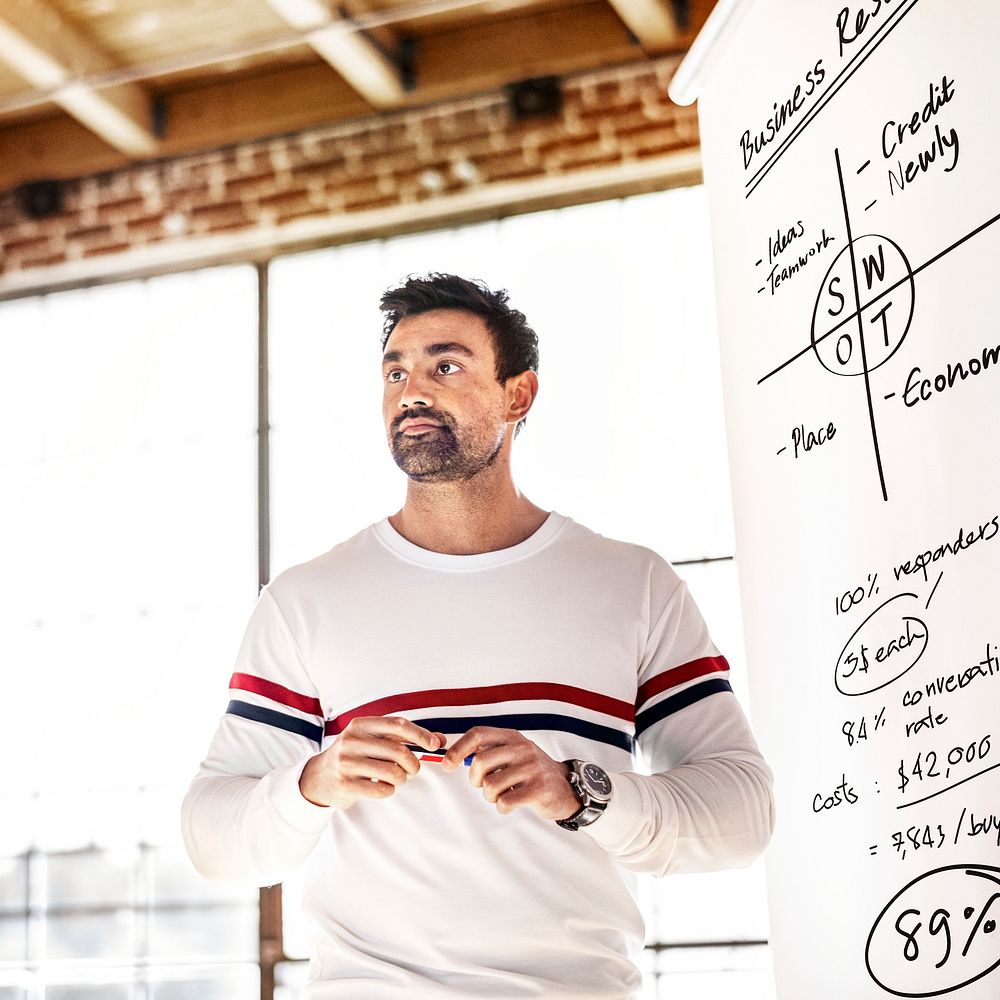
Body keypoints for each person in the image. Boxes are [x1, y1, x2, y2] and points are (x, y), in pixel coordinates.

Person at [182, 272, 775, 999]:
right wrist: (315, 781)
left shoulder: (632, 584)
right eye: (395, 371)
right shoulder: (307, 600)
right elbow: (213, 840)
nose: (412, 391)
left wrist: (577, 791)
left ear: (518, 394)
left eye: (445, 366)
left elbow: (743, 815)